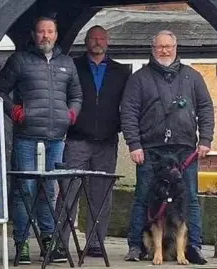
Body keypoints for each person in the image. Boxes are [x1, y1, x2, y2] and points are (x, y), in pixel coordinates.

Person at [0, 16, 82, 265]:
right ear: (34, 35)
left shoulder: (67, 63)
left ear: (55, 34)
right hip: (26, 136)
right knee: (25, 191)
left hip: (56, 138)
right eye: (41, 32)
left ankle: (49, 243)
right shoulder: (20, 60)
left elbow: (76, 95)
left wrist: (70, 115)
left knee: (49, 191)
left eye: (50, 31)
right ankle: (21, 244)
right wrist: (17, 112)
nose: (45, 36)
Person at [121, 30, 213, 264]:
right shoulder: (139, 78)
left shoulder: (192, 77)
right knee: (143, 197)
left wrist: (206, 140)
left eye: (168, 46)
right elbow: (129, 112)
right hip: (150, 149)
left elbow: (205, 108)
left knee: (190, 198)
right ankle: (136, 245)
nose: (164, 50)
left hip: (185, 150)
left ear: (175, 48)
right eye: (160, 47)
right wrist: (134, 143)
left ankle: (193, 246)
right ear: (153, 49)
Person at [53, 25, 131, 260]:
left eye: (101, 38)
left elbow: (127, 106)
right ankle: (60, 242)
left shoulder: (121, 71)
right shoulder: (72, 66)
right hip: (77, 138)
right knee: (68, 192)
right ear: (86, 41)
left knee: (101, 194)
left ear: (107, 42)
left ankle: (95, 243)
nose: (97, 41)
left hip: (107, 140)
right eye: (93, 38)